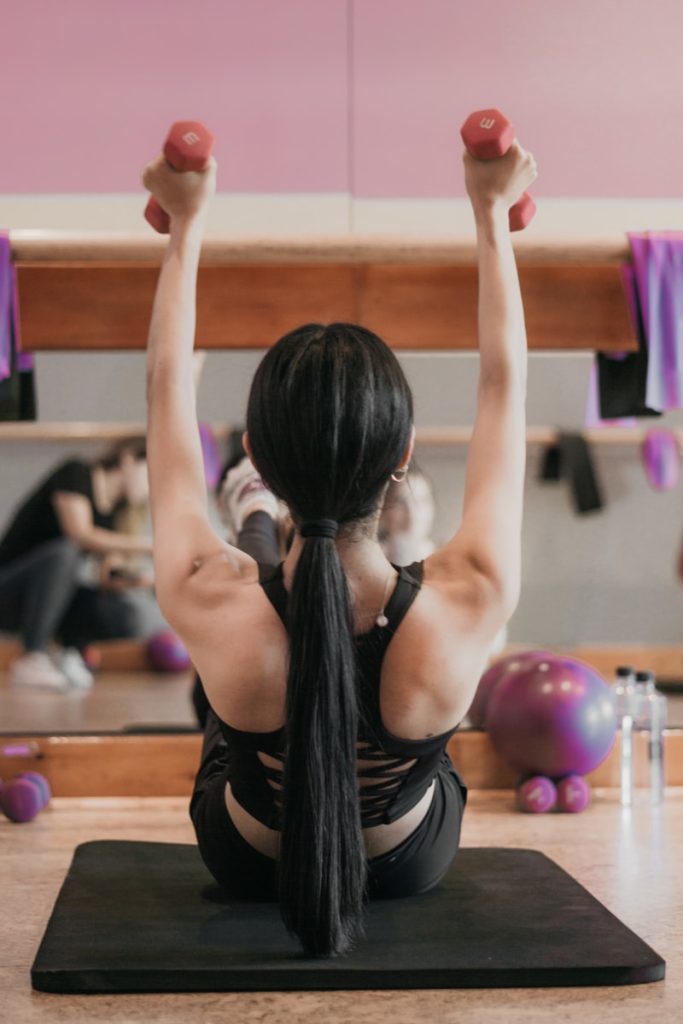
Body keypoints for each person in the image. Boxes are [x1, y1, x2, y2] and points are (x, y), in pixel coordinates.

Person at [142, 130, 535, 956]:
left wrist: (185, 224)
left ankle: (257, 519)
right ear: (401, 458)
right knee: (425, 754)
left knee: (230, 696)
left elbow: (167, 387)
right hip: (405, 865)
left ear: (254, 447)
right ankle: (261, 531)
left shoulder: (207, 592)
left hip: (250, 862)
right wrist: (490, 210)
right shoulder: (471, 592)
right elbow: (503, 383)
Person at [0, 439, 153, 691]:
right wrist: (147, 545)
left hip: (46, 599)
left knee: (121, 614)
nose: (150, 488)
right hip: (8, 591)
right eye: (149, 474)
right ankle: (32, 656)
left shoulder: (112, 516)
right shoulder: (76, 472)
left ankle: (70, 653)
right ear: (128, 460)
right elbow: (79, 534)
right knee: (66, 552)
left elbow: (107, 578)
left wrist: (147, 580)